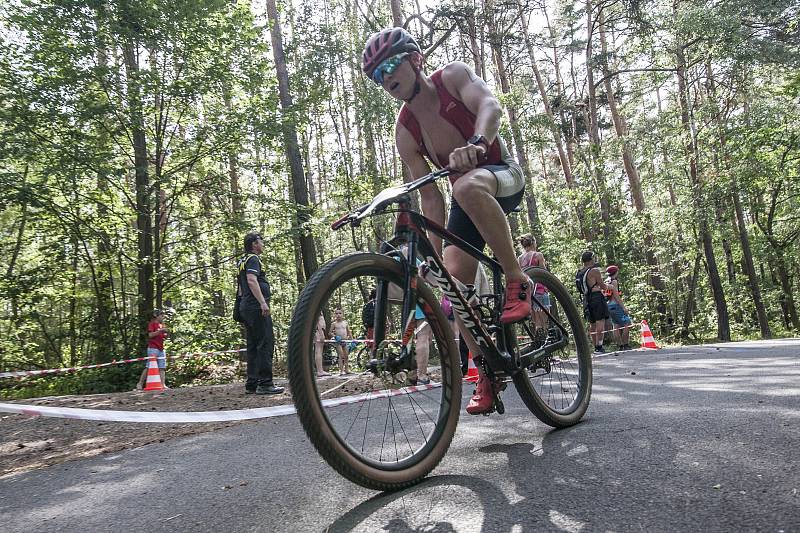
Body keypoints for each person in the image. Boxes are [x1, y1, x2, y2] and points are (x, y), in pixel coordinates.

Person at [362, 27, 529, 414]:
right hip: (462, 200)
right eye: (377, 74)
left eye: (390, 65)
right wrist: (431, 263)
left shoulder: (452, 77)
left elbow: (490, 106)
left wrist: (477, 144)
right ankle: (488, 369)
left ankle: (517, 280)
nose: (386, 78)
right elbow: (430, 198)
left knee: (467, 186)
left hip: (500, 173)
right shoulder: (405, 131)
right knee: (451, 284)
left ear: (415, 59)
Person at [238, 232, 284, 395]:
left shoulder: (242, 260)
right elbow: (251, 280)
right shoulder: (253, 259)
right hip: (256, 307)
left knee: (253, 344)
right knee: (265, 342)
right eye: (260, 241)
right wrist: (262, 302)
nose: (262, 244)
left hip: (246, 306)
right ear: (253, 244)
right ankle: (265, 383)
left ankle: (252, 383)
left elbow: (241, 286)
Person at [576, 251, 610, 354]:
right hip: (596, 297)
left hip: (586, 298)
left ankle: (595, 346)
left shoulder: (579, 272)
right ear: (591, 259)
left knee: (592, 323)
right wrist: (610, 287)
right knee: (600, 321)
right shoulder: (594, 270)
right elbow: (602, 285)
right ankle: (599, 346)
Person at [517, 234, 550, 336]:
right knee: (544, 319)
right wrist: (547, 287)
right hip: (540, 289)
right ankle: (546, 341)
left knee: (536, 321)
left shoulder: (520, 258)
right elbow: (544, 273)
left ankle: (539, 342)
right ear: (533, 242)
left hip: (529, 292)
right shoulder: (538, 255)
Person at [136, 309, 169, 390]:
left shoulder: (161, 325)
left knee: (162, 367)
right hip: (153, 348)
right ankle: (140, 384)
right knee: (148, 366)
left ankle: (162, 384)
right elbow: (150, 335)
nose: (163, 317)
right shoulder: (152, 324)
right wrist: (160, 331)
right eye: (161, 315)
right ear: (156, 316)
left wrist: (166, 333)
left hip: (161, 348)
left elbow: (164, 336)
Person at [605, 265, 632, 350]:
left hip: (608, 305)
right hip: (615, 305)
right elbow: (616, 296)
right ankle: (625, 344)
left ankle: (620, 345)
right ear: (615, 272)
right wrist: (623, 307)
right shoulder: (614, 282)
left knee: (616, 325)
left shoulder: (606, 281)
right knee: (627, 323)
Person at [330, 307, 353, 375]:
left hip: (345, 341)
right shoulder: (334, 324)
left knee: (346, 356)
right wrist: (335, 336)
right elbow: (330, 332)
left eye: (340, 313)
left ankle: (347, 369)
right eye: (336, 313)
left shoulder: (345, 323)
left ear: (343, 314)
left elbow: (349, 332)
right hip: (338, 342)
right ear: (334, 315)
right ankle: (341, 370)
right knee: (341, 355)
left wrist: (352, 340)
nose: (338, 315)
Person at [314, 313, 330, 378]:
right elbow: (317, 320)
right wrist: (321, 333)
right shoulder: (316, 308)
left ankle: (320, 370)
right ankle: (319, 371)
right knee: (318, 350)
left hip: (319, 330)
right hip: (318, 331)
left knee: (319, 350)